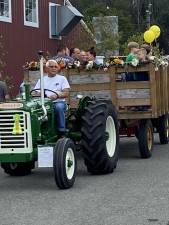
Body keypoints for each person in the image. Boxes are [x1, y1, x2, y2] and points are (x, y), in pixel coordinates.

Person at [34, 60, 70, 136]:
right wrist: (41, 94)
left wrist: (57, 95)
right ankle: (38, 133)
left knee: (58, 107)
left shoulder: (62, 79)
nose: (54, 68)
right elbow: (35, 92)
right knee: (35, 111)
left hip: (58, 102)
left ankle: (62, 130)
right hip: (45, 103)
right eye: (51, 67)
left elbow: (66, 93)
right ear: (46, 69)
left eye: (55, 67)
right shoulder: (42, 80)